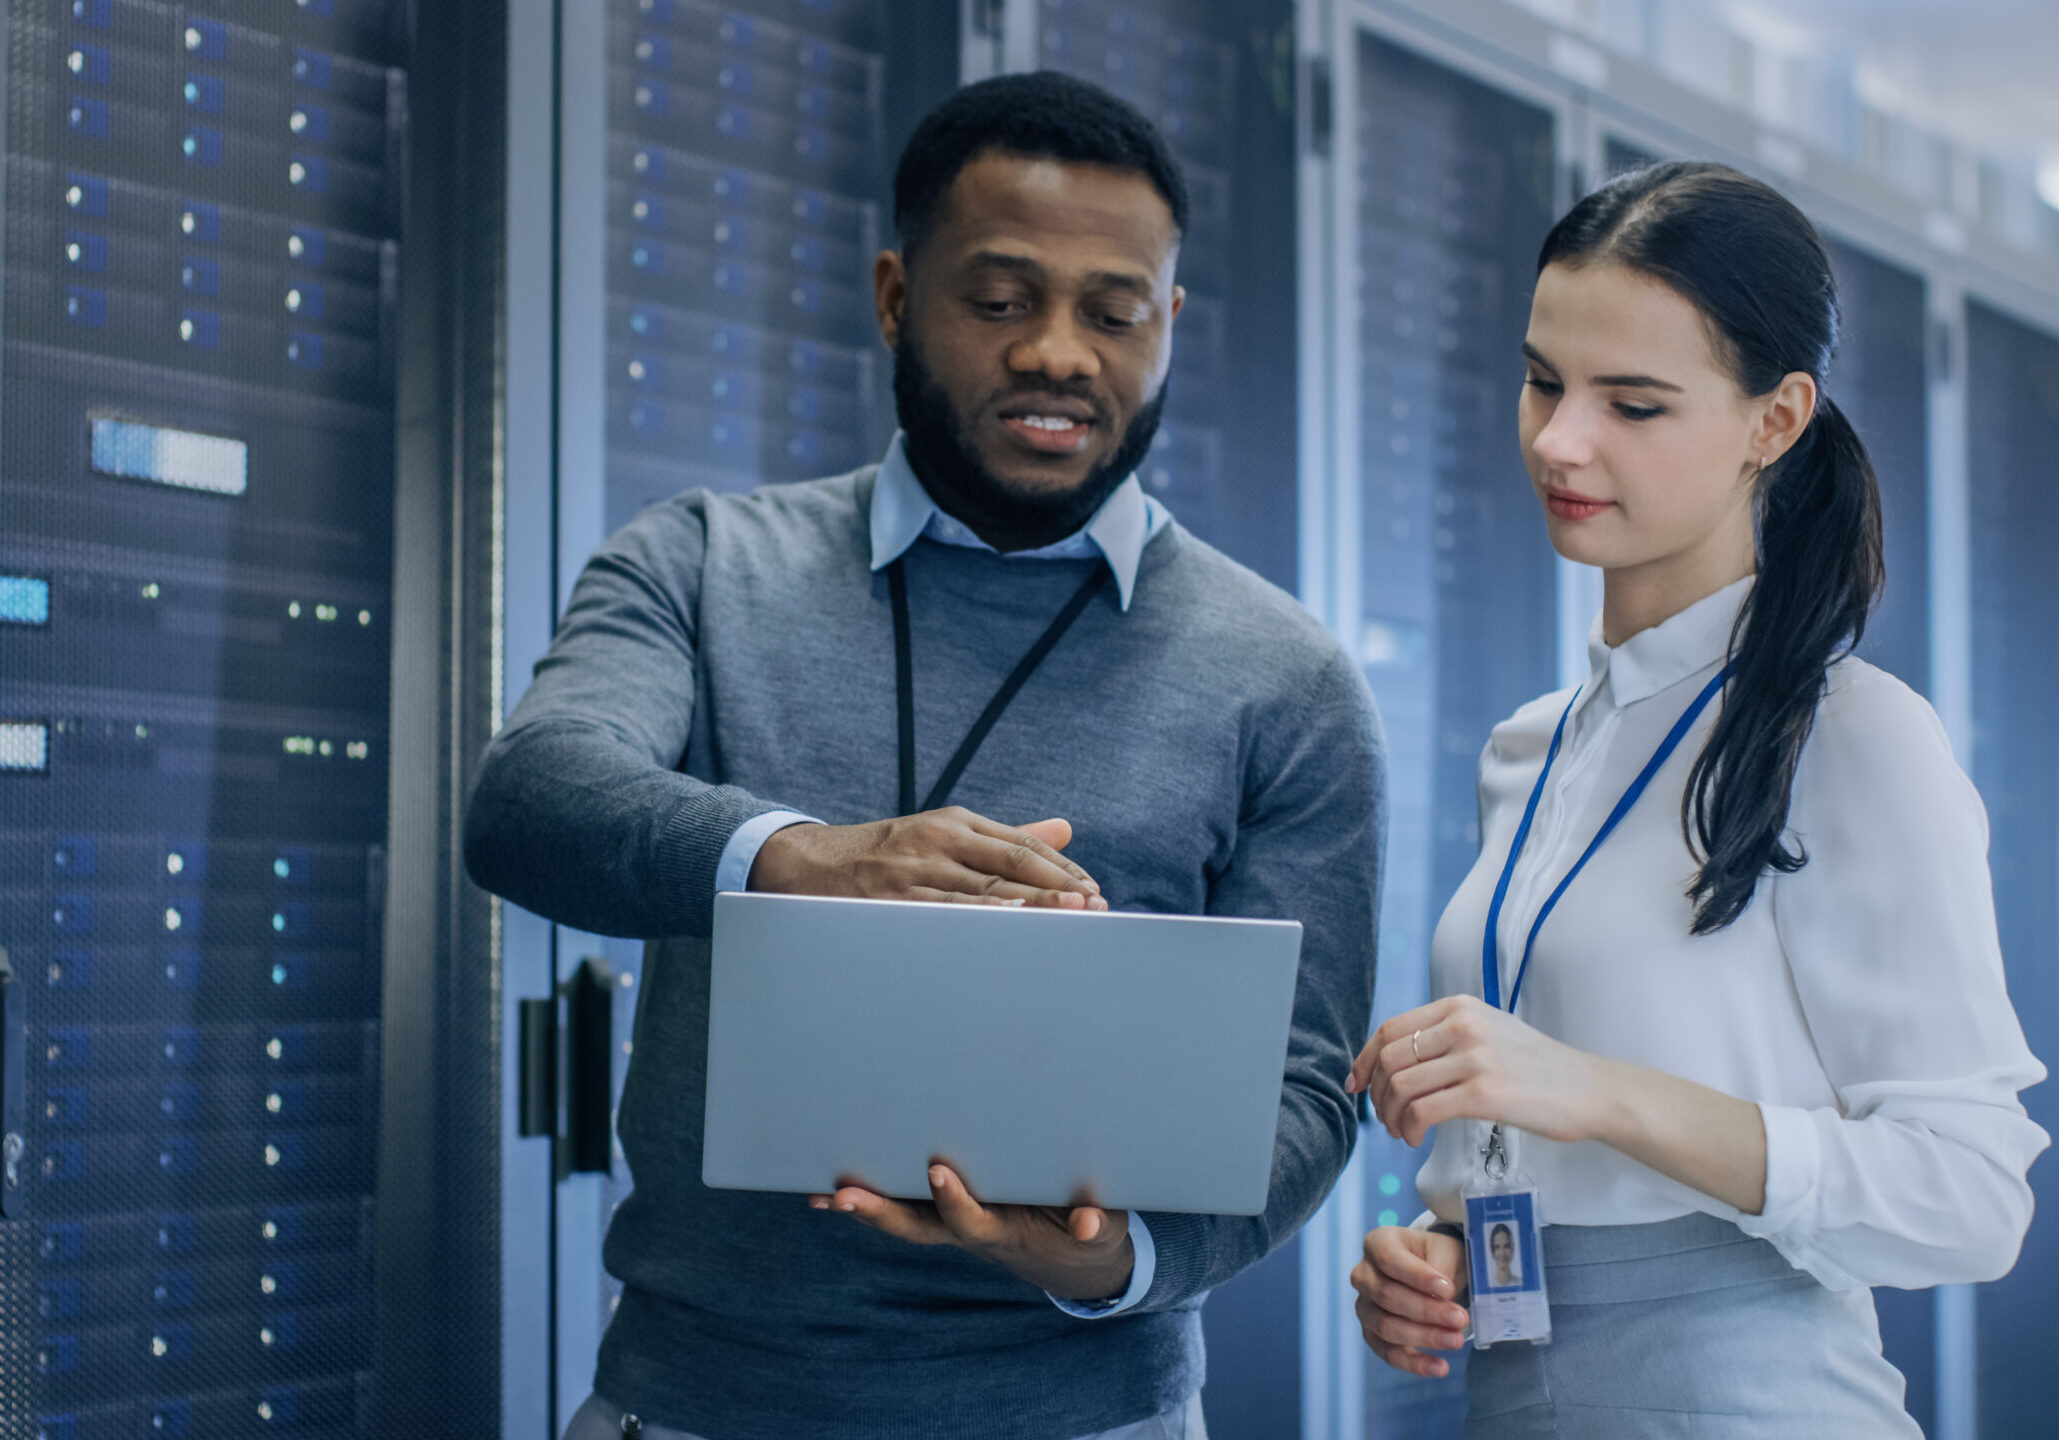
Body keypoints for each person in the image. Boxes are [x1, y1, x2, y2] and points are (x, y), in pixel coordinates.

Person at [465, 71, 1385, 1440]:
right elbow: (526, 803)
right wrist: (802, 857)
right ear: (896, 298)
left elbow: (1305, 1092)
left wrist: (1113, 1260)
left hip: (1091, 1415)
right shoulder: (704, 562)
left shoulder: (1284, 675)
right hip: (698, 1404)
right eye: (1001, 300)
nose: (1058, 354)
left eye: (1112, 312)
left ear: (1167, 324)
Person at [1342, 161, 2047, 1436]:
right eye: (1544, 380)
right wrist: (1446, 1259)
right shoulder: (1531, 746)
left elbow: (1970, 1200)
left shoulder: (1852, 739)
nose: (1560, 440)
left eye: (1635, 403)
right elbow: (1541, 1140)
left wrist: (1599, 1090)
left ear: (1774, 421)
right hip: (1528, 1394)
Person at [1486, 1223, 1518, 1290]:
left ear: (1512, 1249)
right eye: (1497, 1247)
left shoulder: (1520, 1283)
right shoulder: (1488, 1285)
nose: (1502, 1253)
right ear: (1492, 1251)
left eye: (1506, 1246)